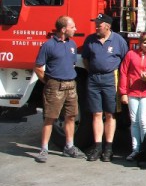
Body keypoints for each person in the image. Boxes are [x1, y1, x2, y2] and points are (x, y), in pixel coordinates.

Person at [33, 15, 85, 163]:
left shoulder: (72, 45)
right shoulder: (48, 45)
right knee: (50, 117)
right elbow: (38, 67)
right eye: (72, 27)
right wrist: (48, 82)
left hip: (71, 85)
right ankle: (43, 149)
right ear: (63, 29)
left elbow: (73, 64)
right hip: (55, 85)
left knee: (71, 116)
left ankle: (69, 147)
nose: (75, 29)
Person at [82, 13, 128, 162]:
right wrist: (94, 72)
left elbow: (124, 61)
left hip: (110, 79)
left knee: (110, 114)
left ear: (107, 26)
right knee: (96, 113)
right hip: (94, 78)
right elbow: (85, 59)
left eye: (99, 24)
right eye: (96, 23)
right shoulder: (90, 40)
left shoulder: (118, 41)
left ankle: (108, 148)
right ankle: (97, 147)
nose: (96, 26)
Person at [119, 32, 146, 161]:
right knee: (134, 122)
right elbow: (123, 73)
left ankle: (145, 148)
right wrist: (123, 93)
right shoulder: (131, 55)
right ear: (140, 43)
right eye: (145, 43)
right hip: (133, 93)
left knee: (143, 121)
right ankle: (135, 150)